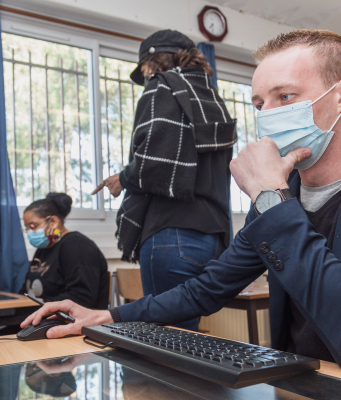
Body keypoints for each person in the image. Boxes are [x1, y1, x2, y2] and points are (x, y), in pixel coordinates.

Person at [22, 30, 341, 390]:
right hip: (307, 393)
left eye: (285, 97)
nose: (267, 116)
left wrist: (270, 195)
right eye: (258, 104)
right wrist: (109, 315)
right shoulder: (281, 192)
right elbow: (209, 288)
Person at [91, 30, 238, 331]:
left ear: (154, 61)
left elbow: (153, 164)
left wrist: (122, 177)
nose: (144, 76)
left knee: (165, 341)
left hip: (171, 235)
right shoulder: (213, 100)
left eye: (144, 68)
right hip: (212, 237)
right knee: (186, 337)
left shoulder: (163, 87)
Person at [20, 193, 109, 309]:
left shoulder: (77, 245)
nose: (30, 232)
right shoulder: (43, 249)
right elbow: (26, 290)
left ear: (53, 222)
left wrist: (41, 308)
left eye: (33, 226)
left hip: (70, 322)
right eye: (27, 228)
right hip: (41, 317)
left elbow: (82, 297)